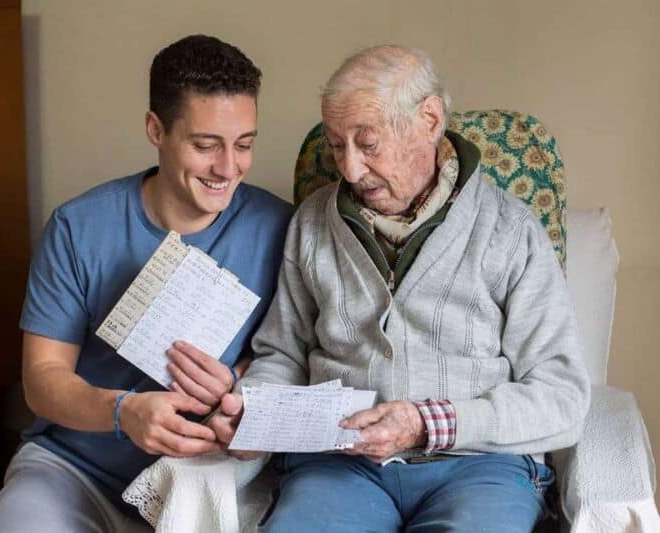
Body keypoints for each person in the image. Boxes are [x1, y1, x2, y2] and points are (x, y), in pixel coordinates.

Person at [210, 44, 590, 532]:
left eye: (367, 144)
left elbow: (562, 399)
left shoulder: (510, 231)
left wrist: (427, 423)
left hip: (479, 467)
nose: (349, 168)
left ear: (429, 120)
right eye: (336, 144)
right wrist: (253, 412)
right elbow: (282, 355)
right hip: (338, 466)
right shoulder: (312, 223)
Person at [0, 35, 293, 532]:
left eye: (244, 144)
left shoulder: (281, 228)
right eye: (205, 145)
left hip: (205, 478)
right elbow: (42, 380)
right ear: (156, 129)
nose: (228, 168)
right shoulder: (78, 227)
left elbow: (297, 357)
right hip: (76, 469)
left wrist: (238, 381)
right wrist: (122, 412)